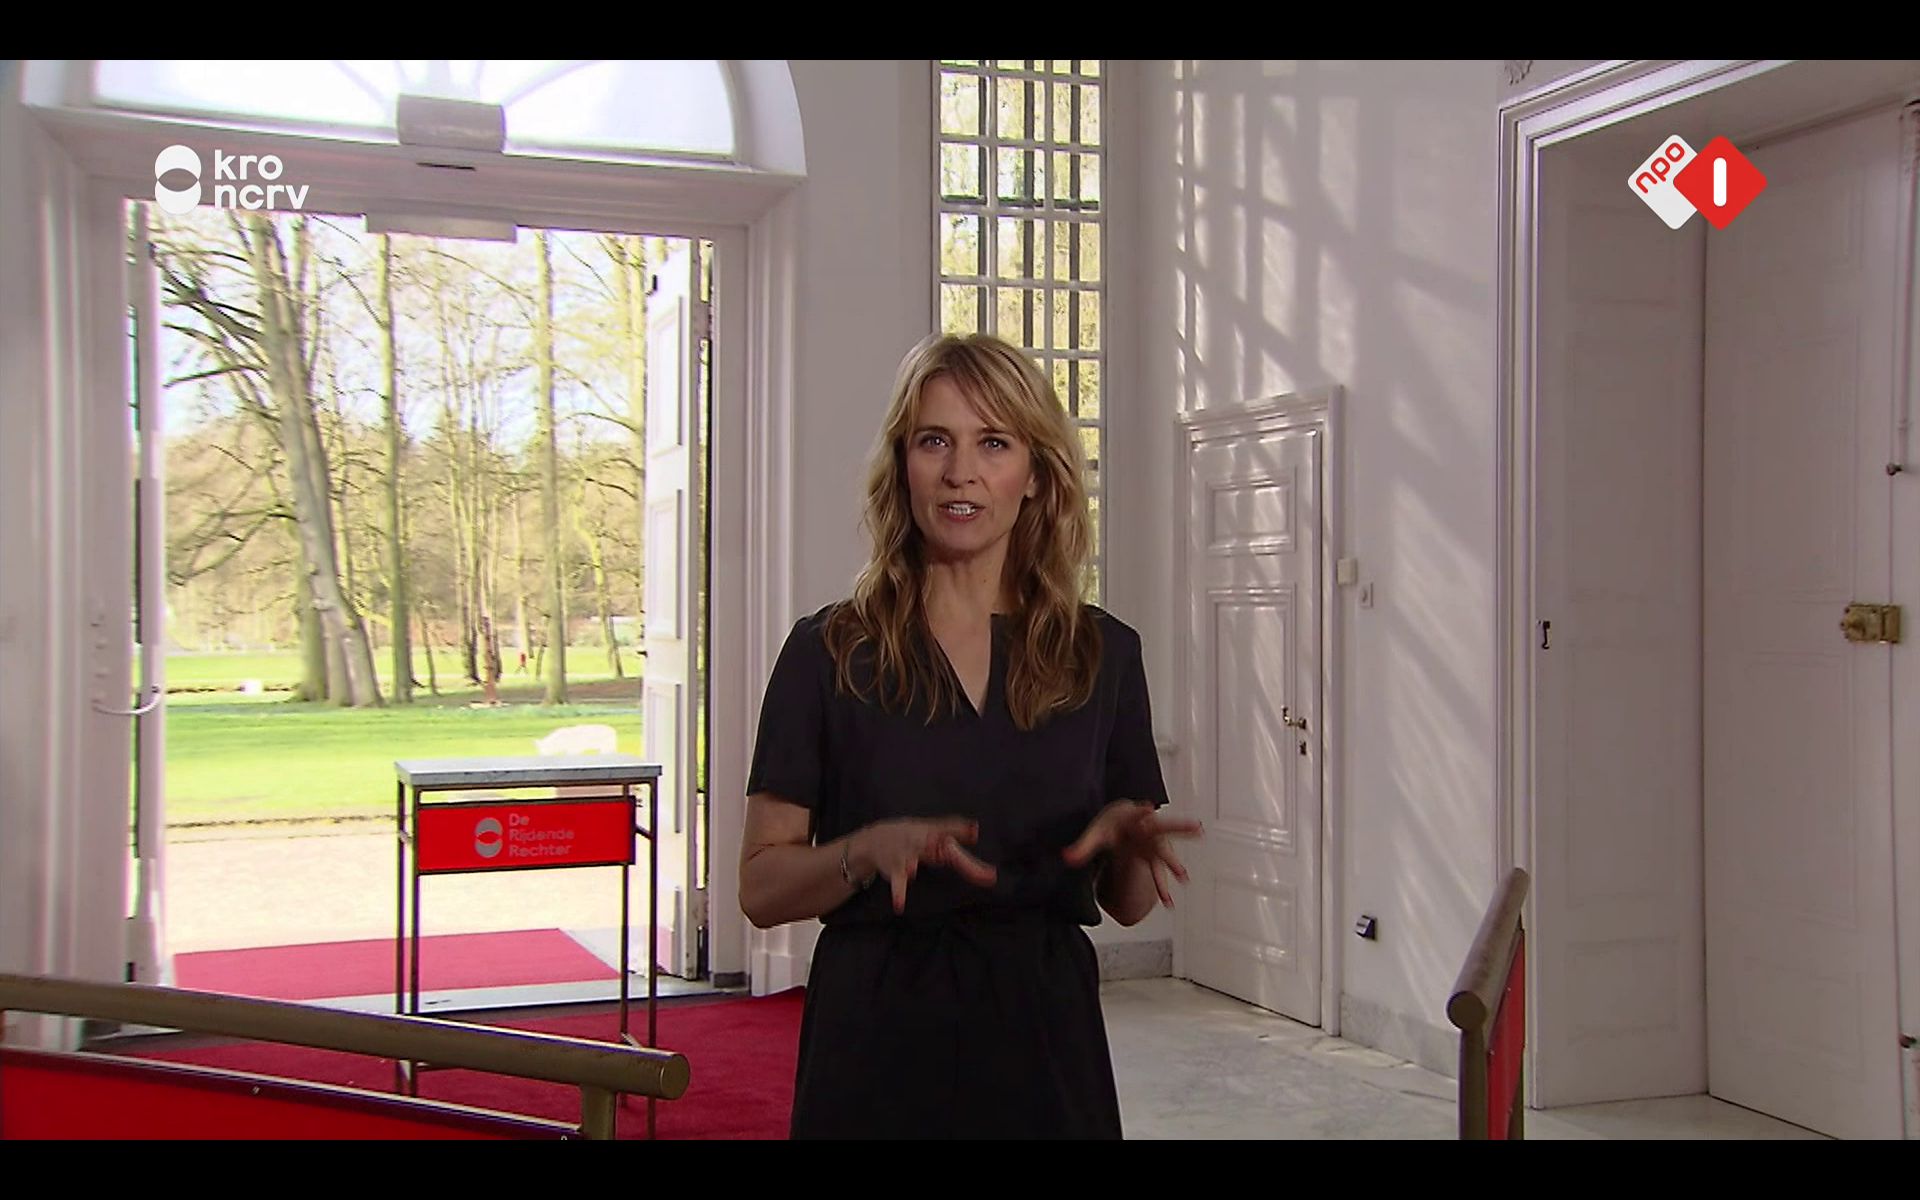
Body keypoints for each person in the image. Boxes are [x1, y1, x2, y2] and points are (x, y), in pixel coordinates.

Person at [738, 332, 1200, 1139]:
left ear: (1036, 475)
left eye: (993, 442)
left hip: (1045, 1043)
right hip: (875, 1042)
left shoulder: (1103, 655)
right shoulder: (829, 652)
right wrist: (863, 852)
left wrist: (1130, 846)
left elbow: (1126, 906)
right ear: (902, 465)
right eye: (934, 441)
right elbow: (761, 890)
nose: (961, 471)